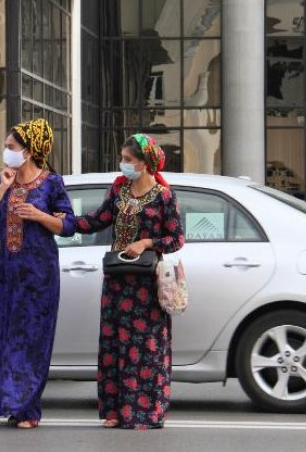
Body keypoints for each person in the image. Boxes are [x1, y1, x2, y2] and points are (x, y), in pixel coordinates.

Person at [73, 133, 185, 429]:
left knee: (145, 348)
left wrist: (146, 242)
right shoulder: (119, 191)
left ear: (146, 164)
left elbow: (176, 240)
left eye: (128, 160)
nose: (123, 165)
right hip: (116, 283)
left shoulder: (164, 196)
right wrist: (63, 221)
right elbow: (97, 221)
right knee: (113, 344)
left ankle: (143, 413)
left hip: (146, 286)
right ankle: (114, 411)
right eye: (122, 159)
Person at [0, 118, 76, 429]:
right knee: (4, 337)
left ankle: (28, 409)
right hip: (5, 275)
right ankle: (6, 402)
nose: (6, 152)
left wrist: (39, 215)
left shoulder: (51, 184)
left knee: (32, 340)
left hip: (38, 276)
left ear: (29, 151)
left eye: (11, 147)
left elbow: (69, 225)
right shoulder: (3, 178)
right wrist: (2, 189)